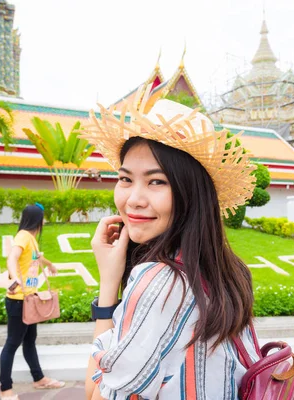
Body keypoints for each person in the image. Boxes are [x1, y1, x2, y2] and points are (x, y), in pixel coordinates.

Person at [80, 92, 260, 399]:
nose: (133, 199)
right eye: (125, 179)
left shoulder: (161, 283)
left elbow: (96, 394)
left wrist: (108, 286)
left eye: (156, 181)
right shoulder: (229, 270)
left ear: (192, 194)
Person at [0, 203, 65, 400]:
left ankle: (39, 379)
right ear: (38, 220)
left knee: (29, 342)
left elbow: (36, 257)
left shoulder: (31, 239)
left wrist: (50, 264)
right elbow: (12, 258)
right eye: (43, 218)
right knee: (12, 344)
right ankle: (6, 390)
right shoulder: (22, 237)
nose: (44, 221)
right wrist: (14, 276)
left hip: (29, 300)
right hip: (18, 300)